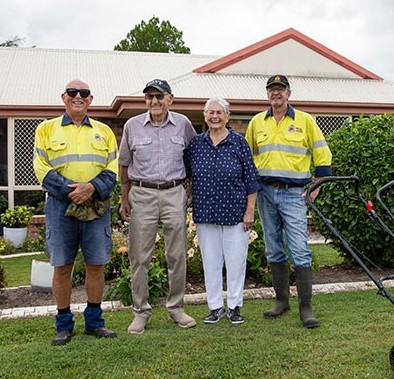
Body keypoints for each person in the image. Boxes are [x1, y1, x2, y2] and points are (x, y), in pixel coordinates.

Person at [33, 79, 119, 346]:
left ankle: (94, 322)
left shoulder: (104, 131)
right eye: (72, 92)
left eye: (83, 93)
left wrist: (92, 188)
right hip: (61, 206)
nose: (77, 96)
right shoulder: (46, 129)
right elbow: (41, 167)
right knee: (62, 266)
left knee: (96, 264)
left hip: (96, 205)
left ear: (90, 99)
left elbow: (113, 167)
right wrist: (71, 191)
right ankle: (64, 325)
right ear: (64, 97)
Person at [245, 74, 332, 328]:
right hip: (265, 193)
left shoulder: (305, 121)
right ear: (267, 94)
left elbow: (322, 153)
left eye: (281, 89)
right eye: (272, 89)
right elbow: (247, 158)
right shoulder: (256, 122)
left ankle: (306, 308)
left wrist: (317, 186)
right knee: (273, 248)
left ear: (288, 94)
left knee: (300, 249)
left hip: (294, 194)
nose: (276, 93)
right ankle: (281, 302)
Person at [119, 79, 198, 334]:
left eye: (159, 96)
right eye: (149, 97)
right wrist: (124, 198)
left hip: (174, 194)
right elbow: (123, 165)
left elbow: (194, 157)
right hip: (142, 194)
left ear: (170, 99)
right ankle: (140, 312)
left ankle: (176, 308)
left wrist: (190, 190)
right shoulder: (132, 126)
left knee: (177, 255)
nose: (154, 101)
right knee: (139, 256)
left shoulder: (183, 124)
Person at [185, 98, 262, 325]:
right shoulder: (196, 144)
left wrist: (250, 211)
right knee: (211, 261)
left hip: (235, 212)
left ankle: (235, 306)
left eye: (219, 112)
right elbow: (189, 175)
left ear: (227, 117)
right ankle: (215, 307)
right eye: (210, 112)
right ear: (205, 116)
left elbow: (251, 180)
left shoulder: (239, 143)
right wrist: (189, 195)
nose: (215, 116)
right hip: (205, 212)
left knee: (236, 261)